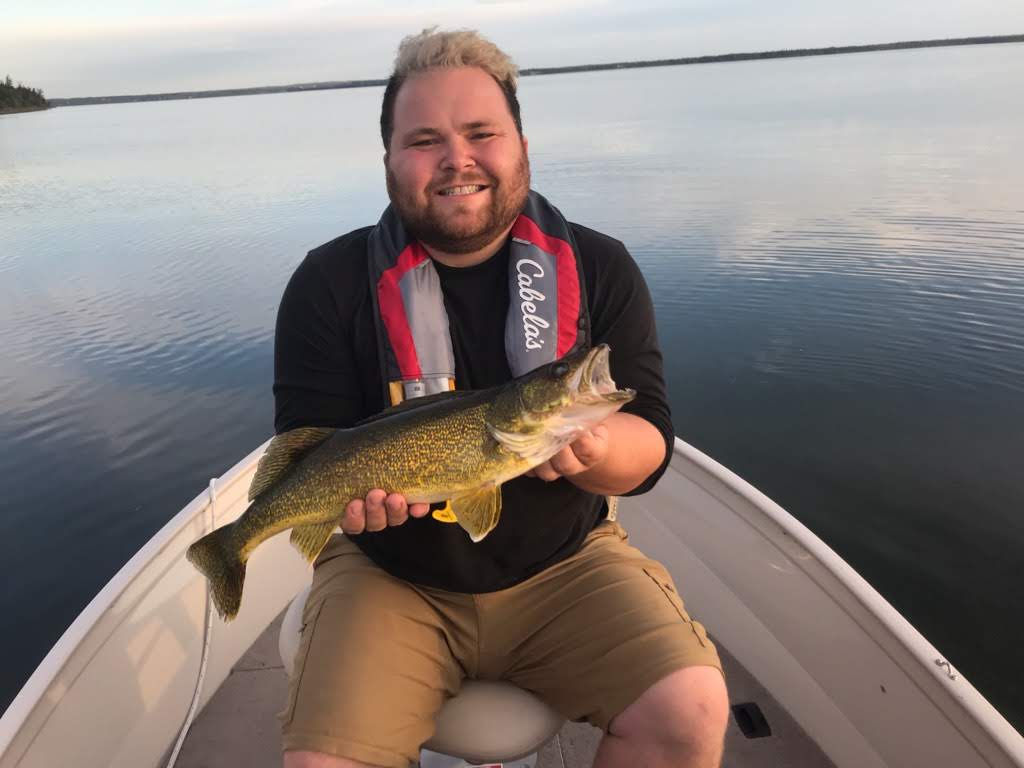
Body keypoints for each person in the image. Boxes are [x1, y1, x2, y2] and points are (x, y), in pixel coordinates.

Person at [273, 28, 728, 768]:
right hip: (389, 575)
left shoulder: (600, 266)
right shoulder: (325, 285)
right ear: (388, 160)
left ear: (520, 144)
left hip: (567, 563)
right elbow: (306, 446)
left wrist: (599, 448)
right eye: (424, 140)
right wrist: (348, 505)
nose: (457, 158)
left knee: (690, 710)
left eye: (482, 132)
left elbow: (650, 444)